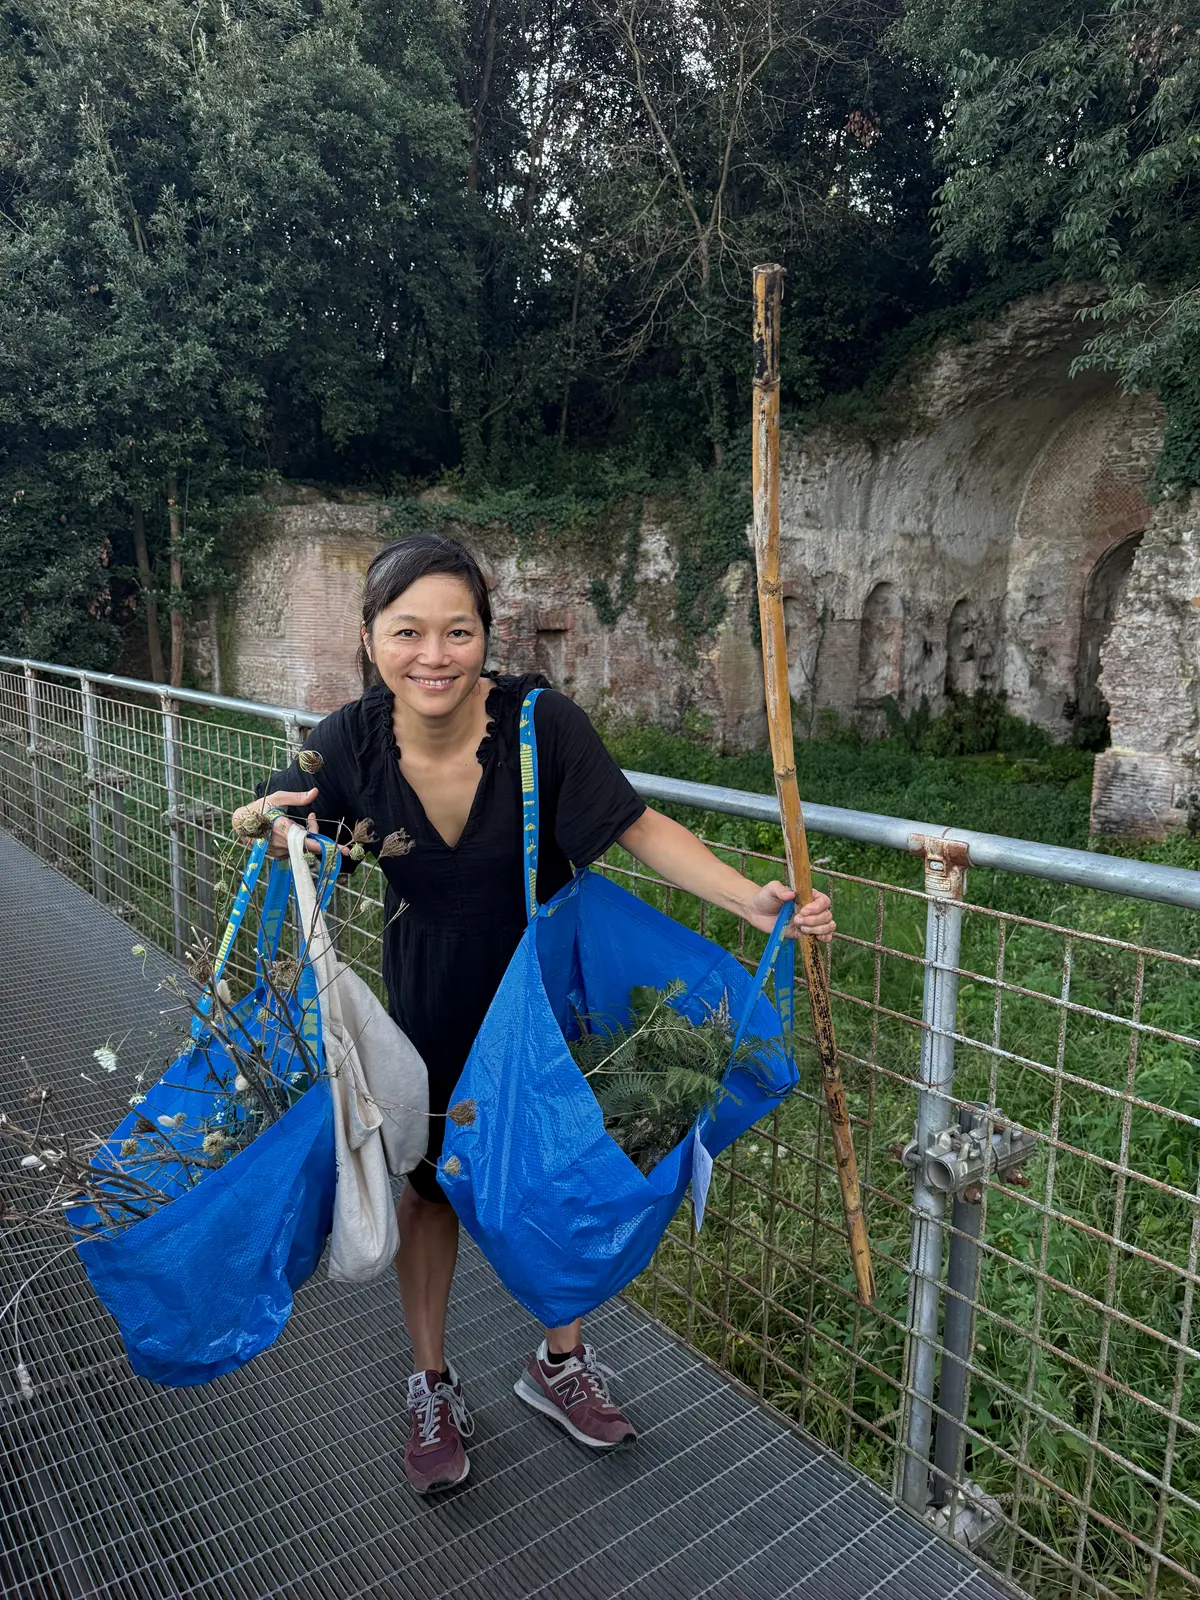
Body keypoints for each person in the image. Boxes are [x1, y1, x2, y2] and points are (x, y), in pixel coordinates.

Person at [231, 533, 835, 1496]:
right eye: (409, 632)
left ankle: (559, 1360)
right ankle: (429, 1379)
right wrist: (271, 816)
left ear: (486, 636)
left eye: (457, 631)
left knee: (556, 1167)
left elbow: (636, 826)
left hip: (540, 994)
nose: (435, 655)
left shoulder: (539, 726)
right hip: (426, 994)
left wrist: (749, 902)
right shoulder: (347, 739)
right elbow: (286, 802)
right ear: (371, 640)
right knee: (431, 1187)